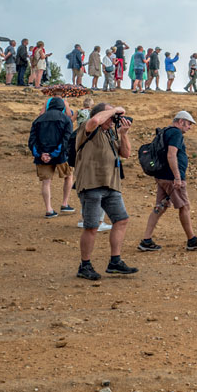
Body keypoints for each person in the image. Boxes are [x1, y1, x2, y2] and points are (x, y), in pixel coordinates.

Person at [73, 103, 137, 280]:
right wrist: (115, 109)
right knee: (92, 226)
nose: (113, 120)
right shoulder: (86, 130)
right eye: (110, 117)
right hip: (91, 184)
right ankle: (84, 265)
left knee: (121, 220)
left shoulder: (110, 133)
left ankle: (115, 262)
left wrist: (123, 134)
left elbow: (126, 153)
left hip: (111, 185)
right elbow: (94, 120)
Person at [138, 111, 197, 252]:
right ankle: (192, 240)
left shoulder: (165, 131)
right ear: (181, 121)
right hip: (171, 178)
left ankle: (146, 240)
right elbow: (171, 155)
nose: (189, 127)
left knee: (160, 207)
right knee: (184, 206)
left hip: (161, 176)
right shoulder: (176, 133)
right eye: (189, 123)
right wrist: (177, 177)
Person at [28, 97, 76, 218]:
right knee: (69, 176)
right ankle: (65, 204)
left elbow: (32, 141)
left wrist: (41, 154)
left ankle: (49, 209)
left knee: (46, 182)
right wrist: (54, 153)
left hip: (42, 156)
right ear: (62, 107)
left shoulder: (38, 120)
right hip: (61, 155)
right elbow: (66, 140)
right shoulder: (66, 120)